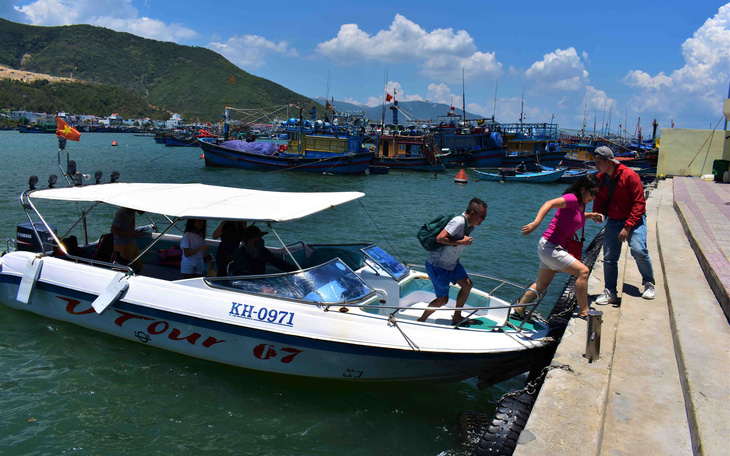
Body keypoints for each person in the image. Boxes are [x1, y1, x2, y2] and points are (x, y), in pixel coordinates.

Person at [519, 175, 603, 319]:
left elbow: (577, 217)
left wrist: (593, 215)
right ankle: (584, 310)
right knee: (583, 271)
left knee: (541, 284)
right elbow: (549, 203)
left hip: (550, 247)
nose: (594, 197)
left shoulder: (581, 204)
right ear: (583, 189)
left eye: (597, 194)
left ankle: (518, 309)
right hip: (550, 247)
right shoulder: (571, 198)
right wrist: (536, 223)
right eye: (592, 193)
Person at [592, 146, 655, 303]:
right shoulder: (600, 178)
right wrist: (598, 213)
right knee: (609, 258)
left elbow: (639, 203)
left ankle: (649, 283)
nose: (596, 166)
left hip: (635, 219)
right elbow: (599, 199)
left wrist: (627, 227)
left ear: (608, 161)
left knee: (639, 250)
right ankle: (610, 291)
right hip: (614, 220)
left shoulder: (630, 176)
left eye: (598, 163)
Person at [417, 198, 488, 326]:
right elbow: (440, 238)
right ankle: (421, 320)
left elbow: (455, 245)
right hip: (438, 265)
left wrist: (457, 257)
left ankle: (457, 317)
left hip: (452, 263)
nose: (483, 219)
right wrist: (462, 242)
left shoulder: (469, 225)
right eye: (482, 216)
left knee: (467, 285)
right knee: (442, 300)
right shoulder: (458, 222)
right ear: (472, 213)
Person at [232, 225, 297, 276]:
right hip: (243, 283)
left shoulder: (262, 251)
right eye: (259, 238)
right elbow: (245, 273)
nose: (261, 239)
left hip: (260, 281)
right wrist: (261, 287)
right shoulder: (239, 254)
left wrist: (294, 270)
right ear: (250, 241)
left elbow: (276, 261)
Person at [111, 207, 144, 273]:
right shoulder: (123, 213)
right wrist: (130, 234)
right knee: (127, 269)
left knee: (138, 267)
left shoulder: (132, 211)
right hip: (122, 246)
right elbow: (113, 230)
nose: (145, 211)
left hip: (131, 243)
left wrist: (133, 232)